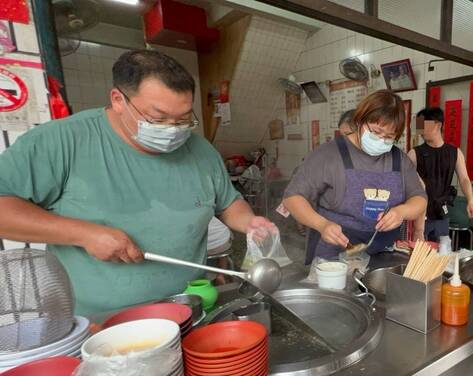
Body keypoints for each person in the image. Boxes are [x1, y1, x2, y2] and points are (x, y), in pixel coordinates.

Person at [0, 50, 273, 315]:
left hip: (187, 309)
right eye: (158, 118)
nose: (172, 129)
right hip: (97, 325)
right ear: (118, 100)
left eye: (183, 119)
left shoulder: (201, 151)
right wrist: (83, 233)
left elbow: (228, 202)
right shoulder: (61, 142)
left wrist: (248, 221)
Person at [283, 90, 426, 263]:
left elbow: (419, 198)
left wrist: (401, 211)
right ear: (359, 121)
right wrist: (322, 225)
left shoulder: (399, 159)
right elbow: (292, 198)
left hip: (383, 255)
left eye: (389, 137)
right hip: (333, 256)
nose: (381, 140)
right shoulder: (328, 154)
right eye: (376, 132)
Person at [408, 107, 473, 242]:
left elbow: (464, 179)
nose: (420, 131)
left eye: (423, 125)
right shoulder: (414, 153)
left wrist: (470, 201)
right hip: (419, 214)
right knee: (417, 255)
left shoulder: (455, 153)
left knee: (440, 253)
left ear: (438, 125)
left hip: (441, 214)